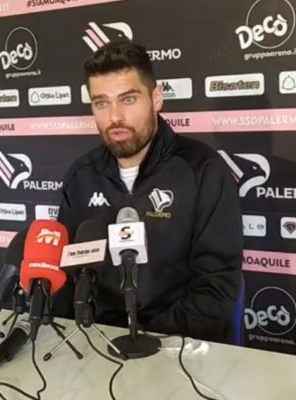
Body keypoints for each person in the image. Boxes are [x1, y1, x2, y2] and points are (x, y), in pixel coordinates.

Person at [53, 41, 243, 343]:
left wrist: (151, 341)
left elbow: (216, 288)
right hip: (100, 343)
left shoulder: (203, 170)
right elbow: (66, 277)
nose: (114, 117)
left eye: (128, 99)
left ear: (156, 98)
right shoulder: (81, 176)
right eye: (101, 103)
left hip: (179, 346)